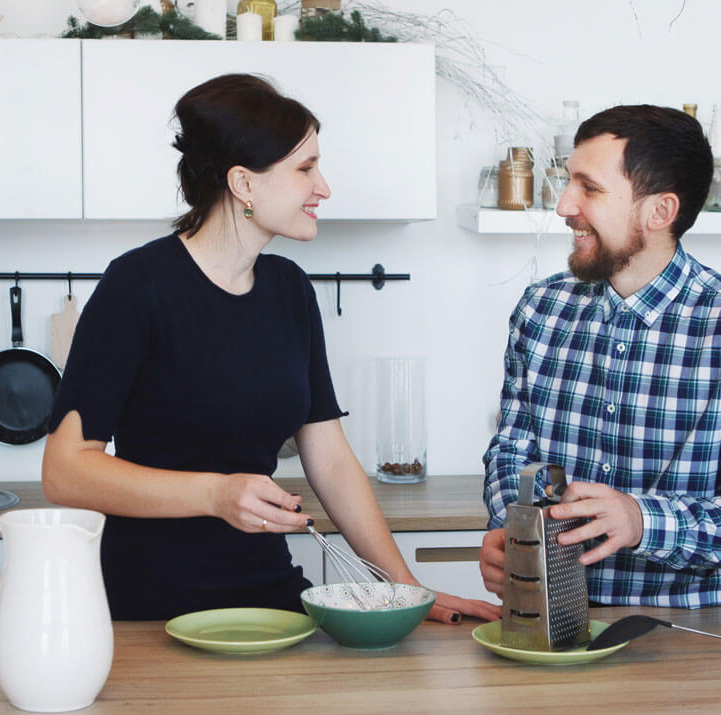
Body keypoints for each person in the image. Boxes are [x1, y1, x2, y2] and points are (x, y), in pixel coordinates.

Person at [42, 73, 498, 624]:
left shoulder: (290, 291)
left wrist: (403, 587)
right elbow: (66, 471)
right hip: (150, 608)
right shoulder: (138, 287)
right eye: (305, 169)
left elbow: (328, 457)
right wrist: (216, 495)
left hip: (271, 599)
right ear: (244, 183)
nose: (323, 188)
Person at [479, 105, 721, 608]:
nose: (565, 205)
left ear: (659, 212)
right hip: (554, 620)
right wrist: (513, 527)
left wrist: (642, 521)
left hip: (701, 634)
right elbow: (511, 452)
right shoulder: (540, 310)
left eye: (589, 188)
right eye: (569, 182)